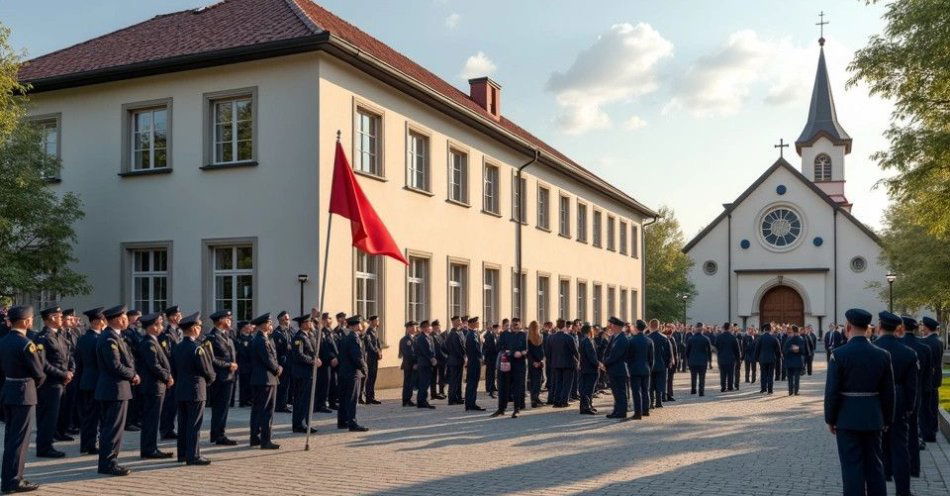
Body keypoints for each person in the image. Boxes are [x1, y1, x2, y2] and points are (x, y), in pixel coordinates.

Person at [824, 309, 895, 496]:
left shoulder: (839, 354)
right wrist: (887, 420)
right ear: (868, 328)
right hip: (873, 418)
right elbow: (889, 393)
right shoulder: (883, 355)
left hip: (847, 419)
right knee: (875, 466)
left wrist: (830, 419)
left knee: (851, 468)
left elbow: (832, 392)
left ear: (848, 327)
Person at [0, 305, 45, 494]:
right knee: (20, 439)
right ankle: (13, 481)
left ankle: (8, 478)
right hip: (24, 392)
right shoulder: (26, 344)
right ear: (26, 321)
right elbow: (39, 373)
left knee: (11, 438)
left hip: (8, 389)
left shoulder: (3, 341)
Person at [875, 311, 917, 496]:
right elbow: (912, 387)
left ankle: (881, 484)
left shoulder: (873, 349)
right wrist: (909, 408)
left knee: (877, 447)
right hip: (899, 401)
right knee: (900, 448)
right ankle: (903, 491)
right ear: (897, 328)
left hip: (877, 402)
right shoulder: (908, 352)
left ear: (880, 326)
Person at [95, 305, 140, 476]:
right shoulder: (109, 338)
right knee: (112, 428)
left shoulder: (116, 336)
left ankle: (109, 461)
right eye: (124, 317)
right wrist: (133, 375)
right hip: (114, 389)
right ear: (116, 319)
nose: (127, 320)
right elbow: (115, 365)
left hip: (117, 388)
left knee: (113, 428)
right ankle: (108, 463)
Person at [171, 313, 214, 465]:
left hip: (181, 389)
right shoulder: (197, 349)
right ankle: (193, 455)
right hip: (196, 390)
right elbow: (206, 370)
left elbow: (173, 370)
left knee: (183, 424)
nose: (200, 329)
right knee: (194, 424)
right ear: (194, 328)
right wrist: (210, 379)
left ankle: (182, 454)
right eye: (199, 326)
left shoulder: (177, 347)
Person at [34, 306, 72, 458]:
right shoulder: (42, 338)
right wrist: (63, 374)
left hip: (61, 382)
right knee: (47, 417)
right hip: (50, 383)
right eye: (59, 315)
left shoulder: (59, 335)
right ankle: (44, 448)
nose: (62, 318)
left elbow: (69, 356)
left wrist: (70, 371)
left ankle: (48, 444)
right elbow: (43, 363)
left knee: (54, 416)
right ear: (50, 318)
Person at [136, 312, 174, 459]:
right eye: (158, 324)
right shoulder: (148, 343)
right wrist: (167, 376)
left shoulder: (154, 341)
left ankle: (150, 447)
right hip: (153, 386)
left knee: (153, 419)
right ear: (152, 327)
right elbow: (154, 365)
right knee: (151, 419)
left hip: (156, 385)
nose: (161, 326)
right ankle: (149, 449)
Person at [899, 316, 930, 478]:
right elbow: (927, 375)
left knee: (897, 434)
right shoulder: (924, 347)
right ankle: (914, 468)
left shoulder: (899, 346)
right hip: (916, 393)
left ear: (902, 327)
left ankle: (890, 469)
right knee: (912, 433)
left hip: (898, 395)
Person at [205, 310, 238, 445]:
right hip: (220, 378)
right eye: (227, 319)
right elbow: (211, 359)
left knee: (223, 408)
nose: (230, 321)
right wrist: (228, 364)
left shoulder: (228, 336)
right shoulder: (211, 338)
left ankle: (218, 433)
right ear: (220, 321)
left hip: (229, 377)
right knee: (219, 408)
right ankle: (218, 435)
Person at [76, 307, 105, 455]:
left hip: (85, 380)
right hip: (97, 381)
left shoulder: (82, 338)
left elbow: (78, 362)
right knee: (95, 416)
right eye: (102, 319)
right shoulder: (99, 339)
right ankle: (91, 444)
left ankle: (85, 444)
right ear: (97, 321)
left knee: (88, 415)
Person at [249, 313, 281, 449]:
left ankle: (255, 437)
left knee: (257, 409)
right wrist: (277, 369)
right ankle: (265, 440)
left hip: (262, 378)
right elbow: (268, 359)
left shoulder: (263, 338)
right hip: (266, 379)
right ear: (262, 324)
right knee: (266, 410)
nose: (271, 324)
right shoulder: (262, 340)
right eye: (268, 322)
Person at [337, 315, 369, 431]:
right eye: (360, 324)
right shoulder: (354, 338)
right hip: (352, 373)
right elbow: (357, 357)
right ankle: (352, 423)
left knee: (344, 398)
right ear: (355, 325)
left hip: (343, 372)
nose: (361, 326)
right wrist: (364, 368)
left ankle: (342, 421)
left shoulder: (344, 337)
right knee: (352, 399)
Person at [289, 313, 319, 433]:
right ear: (303, 324)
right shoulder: (299, 337)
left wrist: (316, 358)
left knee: (306, 400)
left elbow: (312, 350)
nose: (310, 324)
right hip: (301, 373)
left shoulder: (308, 335)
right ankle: (299, 424)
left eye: (310, 322)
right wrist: (312, 361)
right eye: (308, 322)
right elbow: (298, 355)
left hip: (308, 372)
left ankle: (305, 423)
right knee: (301, 400)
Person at [491, 318, 527, 418]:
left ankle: (517, 409)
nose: (515, 326)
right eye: (514, 324)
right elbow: (498, 347)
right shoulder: (504, 334)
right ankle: (501, 409)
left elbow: (527, 350)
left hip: (518, 365)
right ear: (511, 325)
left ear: (520, 325)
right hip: (506, 364)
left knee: (517, 388)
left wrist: (521, 353)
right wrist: (507, 351)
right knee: (503, 387)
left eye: (517, 325)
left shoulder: (523, 335)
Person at [158, 305, 182, 440]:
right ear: (172, 317)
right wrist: (168, 374)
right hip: (171, 372)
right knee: (168, 403)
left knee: (174, 403)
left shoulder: (178, 332)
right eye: (178, 315)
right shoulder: (166, 334)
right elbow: (166, 356)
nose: (180, 317)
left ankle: (170, 428)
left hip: (178, 372)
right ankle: (165, 429)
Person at [920, 317, 943, 443]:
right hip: (936, 378)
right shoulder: (938, 341)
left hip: (928, 378)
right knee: (933, 405)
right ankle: (933, 428)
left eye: (923, 326)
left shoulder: (927, 342)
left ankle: (928, 431)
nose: (921, 328)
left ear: (927, 327)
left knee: (926, 406)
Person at [602, 317, 629, 420]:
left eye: (612, 325)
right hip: (613, 369)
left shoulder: (623, 339)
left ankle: (622, 412)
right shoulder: (614, 337)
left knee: (620, 391)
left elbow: (615, 355)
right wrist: (605, 362)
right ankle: (617, 410)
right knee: (616, 391)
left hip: (619, 369)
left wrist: (605, 363)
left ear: (617, 327)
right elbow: (608, 351)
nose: (610, 327)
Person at [626, 320, 653, 420]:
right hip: (646, 369)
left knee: (636, 391)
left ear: (636, 328)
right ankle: (646, 410)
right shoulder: (649, 340)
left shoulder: (631, 340)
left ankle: (638, 413)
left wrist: (629, 368)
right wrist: (649, 368)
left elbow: (628, 357)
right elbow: (651, 358)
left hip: (634, 369)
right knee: (645, 390)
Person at [121, 310, 143, 432]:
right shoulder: (126, 333)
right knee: (131, 398)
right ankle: (129, 422)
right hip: (131, 368)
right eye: (136, 318)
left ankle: (134, 420)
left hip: (136, 367)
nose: (139, 320)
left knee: (136, 398)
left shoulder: (135, 331)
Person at [315, 313, 338, 413]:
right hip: (325, 362)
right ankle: (321, 404)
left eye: (331, 318)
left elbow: (336, 345)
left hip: (334, 361)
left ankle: (332, 402)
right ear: (323, 320)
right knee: (324, 383)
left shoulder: (331, 332)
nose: (330, 321)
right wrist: (331, 358)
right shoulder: (321, 333)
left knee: (333, 382)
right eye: (328, 319)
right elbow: (323, 349)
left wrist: (337, 357)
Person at [647, 319, 672, 409]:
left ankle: (651, 403)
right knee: (660, 383)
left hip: (650, 365)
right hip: (661, 364)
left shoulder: (648, 338)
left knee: (651, 385)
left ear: (650, 326)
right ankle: (659, 402)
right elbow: (668, 353)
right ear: (658, 326)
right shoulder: (664, 338)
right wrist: (667, 363)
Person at [272, 311, 293, 413]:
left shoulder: (287, 331)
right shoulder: (277, 333)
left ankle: (284, 403)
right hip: (281, 363)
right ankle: (280, 405)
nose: (289, 320)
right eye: (287, 319)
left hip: (288, 363)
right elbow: (277, 350)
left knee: (286, 385)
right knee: (282, 385)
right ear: (282, 320)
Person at [413, 320, 436, 409]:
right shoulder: (421, 338)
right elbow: (425, 351)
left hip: (427, 363)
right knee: (423, 383)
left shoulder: (428, 337)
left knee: (426, 383)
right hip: (424, 363)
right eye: (429, 326)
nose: (430, 328)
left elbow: (431, 349)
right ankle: (422, 402)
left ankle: (422, 401)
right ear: (424, 328)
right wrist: (431, 358)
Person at [577, 324, 599, 415]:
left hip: (585, 368)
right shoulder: (588, 341)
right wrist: (598, 364)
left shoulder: (583, 341)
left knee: (586, 388)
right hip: (590, 369)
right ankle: (586, 407)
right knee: (588, 388)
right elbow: (591, 356)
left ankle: (587, 405)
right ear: (589, 331)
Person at [753, 323, 781, 395]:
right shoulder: (774, 338)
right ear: (770, 329)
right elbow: (778, 350)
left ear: (764, 330)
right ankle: (770, 390)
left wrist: (756, 358)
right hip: (772, 359)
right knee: (770, 375)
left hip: (762, 359)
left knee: (763, 374)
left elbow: (757, 349)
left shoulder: (760, 338)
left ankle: (763, 389)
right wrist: (778, 358)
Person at [464, 317, 485, 411]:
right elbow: (475, 350)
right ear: (472, 324)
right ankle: (470, 404)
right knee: (472, 383)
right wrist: (480, 357)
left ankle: (471, 403)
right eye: (477, 322)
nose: (478, 324)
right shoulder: (471, 335)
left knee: (473, 383)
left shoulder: (474, 334)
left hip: (474, 361)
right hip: (473, 362)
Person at [685, 323, 711, 396]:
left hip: (692, 361)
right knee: (702, 377)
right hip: (703, 361)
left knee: (693, 376)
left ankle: (693, 390)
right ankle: (701, 391)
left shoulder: (691, 339)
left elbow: (687, 351)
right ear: (702, 329)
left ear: (696, 328)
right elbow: (709, 351)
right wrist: (709, 361)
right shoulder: (706, 339)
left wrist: (688, 360)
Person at [445, 317, 465, 406]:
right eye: (459, 321)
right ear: (454, 322)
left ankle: (458, 397)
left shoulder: (459, 332)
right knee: (453, 380)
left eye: (460, 321)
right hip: (454, 360)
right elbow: (457, 348)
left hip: (458, 360)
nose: (461, 322)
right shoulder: (452, 334)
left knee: (458, 380)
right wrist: (463, 356)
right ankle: (452, 399)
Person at [714, 322, 739, 393]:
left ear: (723, 328)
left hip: (721, 358)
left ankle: (723, 387)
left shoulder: (719, 337)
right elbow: (736, 350)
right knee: (730, 374)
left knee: (722, 374)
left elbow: (716, 347)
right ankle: (730, 387)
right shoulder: (733, 337)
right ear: (729, 328)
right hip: (731, 358)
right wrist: (738, 359)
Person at [362, 316, 382, 405]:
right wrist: (377, 352)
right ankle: (369, 398)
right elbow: (369, 344)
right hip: (370, 357)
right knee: (370, 377)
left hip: (375, 357)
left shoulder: (375, 331)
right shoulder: (368, 331)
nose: (378, 322)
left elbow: (378, 343)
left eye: (378, 320)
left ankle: (372, 396)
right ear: (371, 321)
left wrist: (380, 351)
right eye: (376, 320)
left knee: (373, 377)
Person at [234, 321, 254, 407]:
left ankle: (249, 399)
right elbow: (241, 352)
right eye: (248, 326)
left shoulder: (252, 338)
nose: (250, 327)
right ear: (243, 328)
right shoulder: (239, 339)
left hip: (251, 365)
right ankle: (243, 401)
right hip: (243, 365)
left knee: (250, 384)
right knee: (243, 384)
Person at [783, 325, 807, 396]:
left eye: (791, 331)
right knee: (794, 377)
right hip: (795, 361)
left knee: (793, 377)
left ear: (793, 331)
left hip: (793, 361)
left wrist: (796, 349)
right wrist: (794, 349)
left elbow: (784, 350)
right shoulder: (796, 339)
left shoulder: (795, 339)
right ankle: (793, 391)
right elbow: (784, 350)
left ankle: (792, 391)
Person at [399, 321, 418, 407]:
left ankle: (408, 399)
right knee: (407, 383)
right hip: (408, 364)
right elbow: (408, 353)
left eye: (415, 327)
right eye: (413, 327)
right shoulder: (405, 340)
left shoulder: (414, 338)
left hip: (413, 364)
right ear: (408, 328)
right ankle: (405, 400)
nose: (415, 328)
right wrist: (414, 362)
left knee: (411, 382)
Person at [526, 321, 544, 409]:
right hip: (537, 362)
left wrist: (534, 362)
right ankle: (535, 398)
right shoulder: (539, 337)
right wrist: (539, 361)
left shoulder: (529, 338)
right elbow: (542, 351)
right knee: (538, 380)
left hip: (533, 362)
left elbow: (528, 353)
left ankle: (534, 398)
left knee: (535, 381)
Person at [482, 324, 499, 399]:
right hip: (490, 358)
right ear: (494, 329)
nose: (498, 330)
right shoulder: (489, 336)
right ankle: (489, 388)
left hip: (493, 358)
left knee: (492, 374)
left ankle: (492, 386)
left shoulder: (495, 336)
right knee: (489, 373)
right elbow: (489, 347)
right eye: (497, 329)